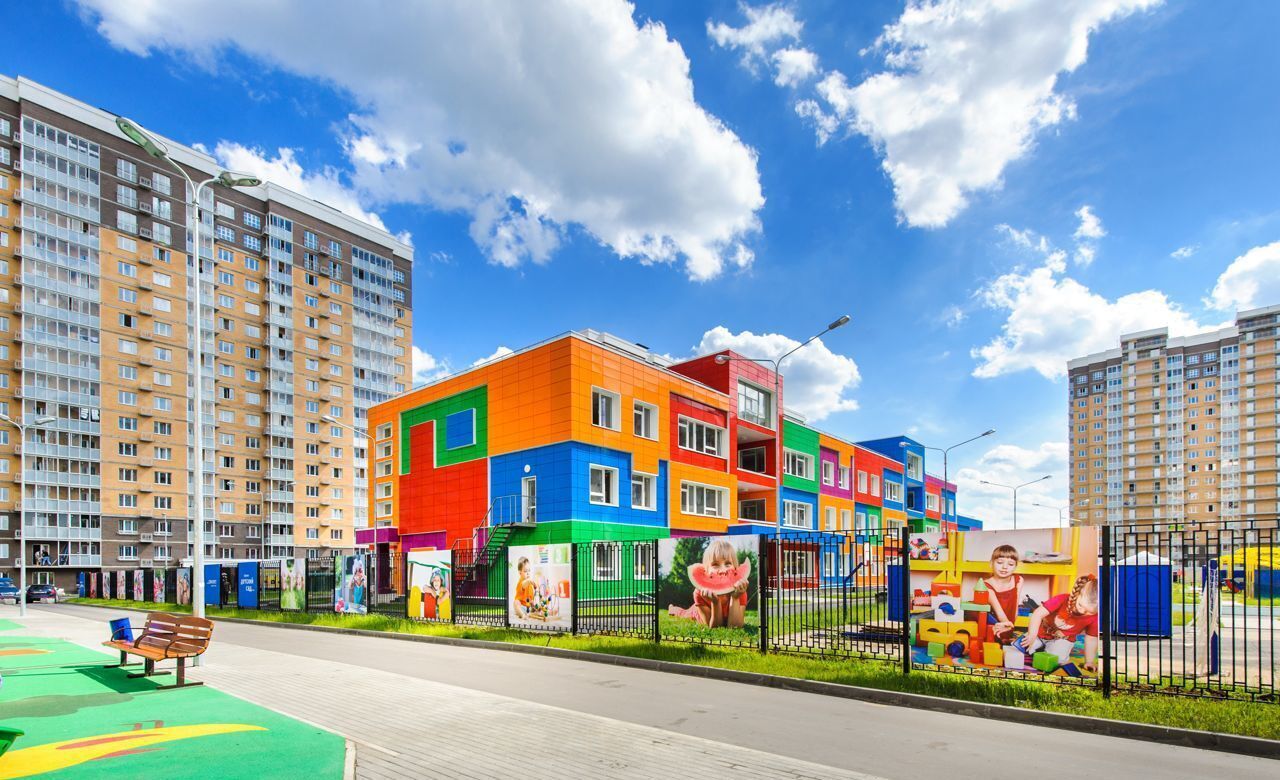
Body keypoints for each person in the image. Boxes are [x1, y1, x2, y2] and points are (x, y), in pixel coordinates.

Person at [1019, 574, 1099, 672]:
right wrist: (1032, 635)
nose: (1082, 611)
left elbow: (1091, 639)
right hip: (1040, 634)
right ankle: (1038, 647)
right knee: (1021, 647)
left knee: (1057, 660)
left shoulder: (1095, 617)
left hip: (1063, 640)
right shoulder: (1062, 599)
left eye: (1089, 611)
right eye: (1080, 605)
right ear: (1078, 594)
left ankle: (1044, 650)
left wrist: (1089, 661)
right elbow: (1038, 614)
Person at [668, 539, 749, 628]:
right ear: (705, 571)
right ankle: (672, 609)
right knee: (683, 613)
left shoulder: (740, 591)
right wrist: (715, 602)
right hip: (696, 612)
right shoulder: (699, 592)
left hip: (735, 595)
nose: (723, 570)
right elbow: (715, 627)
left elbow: (735, 627)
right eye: (715, 565)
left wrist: (735, 598)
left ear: (735, 568)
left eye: (728, 564)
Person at [984, 544, 1024, 643]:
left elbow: (1015, 607)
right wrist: (1007, 624)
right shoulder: (986, 585)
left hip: (1008, 625)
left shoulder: (1019, 580)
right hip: (994, 624)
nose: (1005, 567)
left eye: (1010, 564)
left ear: (1015, 567)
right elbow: (999, 612)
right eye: (1000, 562)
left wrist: (1010, 627)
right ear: (991, 563)